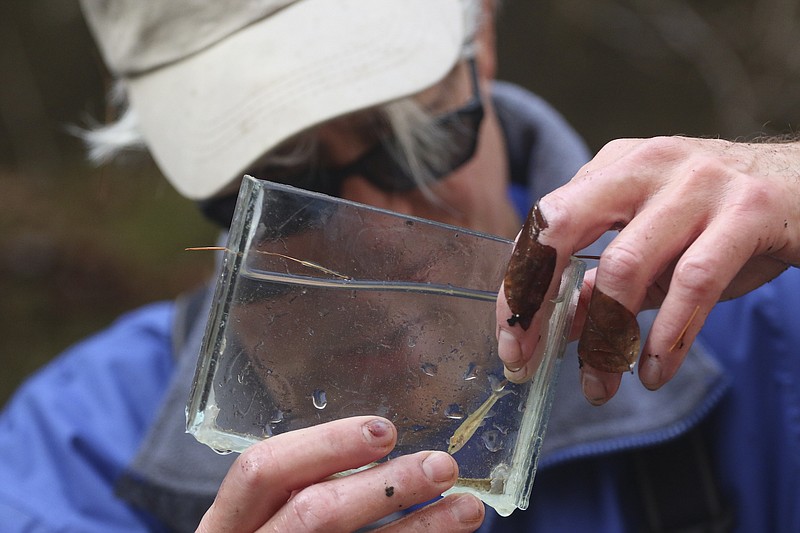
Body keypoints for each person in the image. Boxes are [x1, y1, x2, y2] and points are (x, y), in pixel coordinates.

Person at [1, 0, 798, 531]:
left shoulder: (764, 323)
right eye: (289, 176)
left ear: (479, 35)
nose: (370, 244)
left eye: (411, 132)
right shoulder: (71, 456)